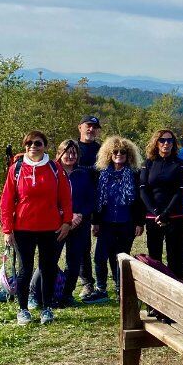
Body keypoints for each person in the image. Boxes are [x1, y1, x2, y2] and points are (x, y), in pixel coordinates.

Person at [0, 130, 72, 325]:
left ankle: (46, 307)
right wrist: (7, 230)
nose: (33, 146)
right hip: (23, 228)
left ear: (45, 146)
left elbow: (65, 198)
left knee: (48, 269)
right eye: (28, 143)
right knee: (25, 270)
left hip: (51, 228)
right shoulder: (16, 169)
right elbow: (6, 201)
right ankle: (23, 309)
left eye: (37, 143)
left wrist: (66, 222)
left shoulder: (55, 168)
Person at [93, 136, 145, 296]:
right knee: (100, 256)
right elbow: (97, 200)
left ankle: (119, 286)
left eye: (123, 152)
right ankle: (101, 287)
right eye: (115, 151)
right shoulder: (101, 174)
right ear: (109, 153)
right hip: (106, 222)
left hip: (126, 222)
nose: (119, 154)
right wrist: (95, 222)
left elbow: (139, 200)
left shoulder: (135, 174)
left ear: (129, 155)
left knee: (121, 257)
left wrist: (139, 222)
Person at [140, 129, 183, 281]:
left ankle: (178, 288)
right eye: (162, 140)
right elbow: (143, 189)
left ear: (174, 144)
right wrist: (156, 212)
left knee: (176, 257)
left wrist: (166, 213)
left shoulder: (180, 164)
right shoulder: (148, 163)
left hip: (175, 216)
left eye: (169, 140)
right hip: (153, 217)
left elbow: (180, 190)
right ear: (156, 142)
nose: (166, 143)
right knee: (154, 257)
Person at [50, 138, 93, 307]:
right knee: (50, 259)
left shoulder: (83, 174)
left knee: (74, 261)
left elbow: (91, 199)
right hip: (57, 223)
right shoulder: (51, 172)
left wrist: (80, 215)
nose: (70, 156)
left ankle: (67, 294)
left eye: (74, 153)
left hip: (79, 224)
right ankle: (49, 292)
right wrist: (63, 216)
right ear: (59, 154)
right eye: (66, 152)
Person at [75, 115, 102, 301]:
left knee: (97, 246)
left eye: (94, 127)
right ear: (80, 128)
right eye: (88, 126)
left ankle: (97, 283)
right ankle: (85, 283)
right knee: (80, 246)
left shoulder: (102, 150)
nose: (91, 130)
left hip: (98, 203)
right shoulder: (72, 149)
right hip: (77, 205)